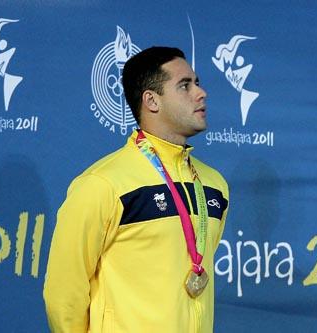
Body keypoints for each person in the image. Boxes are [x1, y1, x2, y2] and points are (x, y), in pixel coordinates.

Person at [43, 46, 229, 333]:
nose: (200, 93)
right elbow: (63, 294)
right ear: (152, 101)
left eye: (198, 83)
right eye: (184, 85)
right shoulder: (103, 184)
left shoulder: (214, 185)